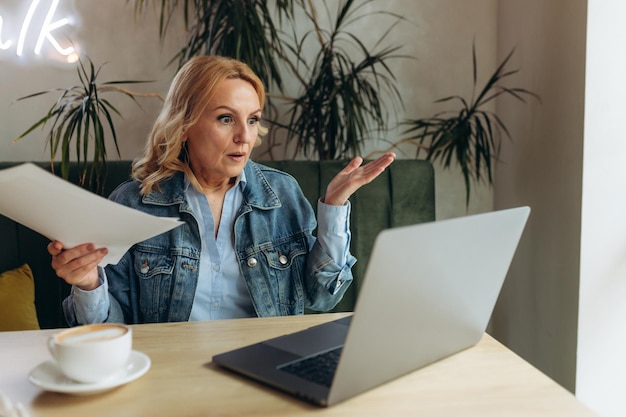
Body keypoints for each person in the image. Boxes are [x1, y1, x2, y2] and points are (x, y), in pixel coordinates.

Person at [48, 55, 395, 326]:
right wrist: (88, 283)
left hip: (266, 366)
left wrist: (334, 206)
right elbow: (109, 329)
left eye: (254, 119)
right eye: (226, 118)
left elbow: (321, 298)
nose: (245, 136)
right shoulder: (134, 203)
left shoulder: (282, 194)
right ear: (184, 125)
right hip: (170, 374)